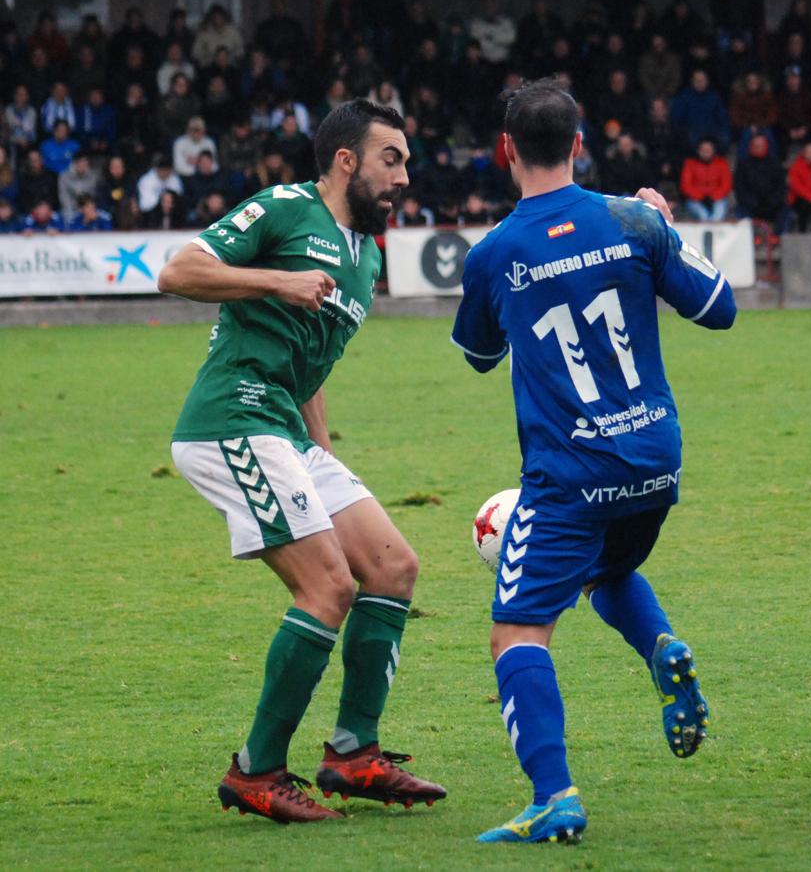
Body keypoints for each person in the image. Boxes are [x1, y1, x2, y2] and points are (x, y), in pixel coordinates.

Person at [450, 78, 735, 845]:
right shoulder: (632, 219)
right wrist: (667, 230)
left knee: (517, 632)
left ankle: (554, 798)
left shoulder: (495, 253)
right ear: (580, 144)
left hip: (571, 478)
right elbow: (721, 309)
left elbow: (479, 355)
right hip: (655, 461)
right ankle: (662, 646)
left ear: (505, 150)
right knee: (606, 572)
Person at [158, 99, 447, 824]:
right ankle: (256, 772)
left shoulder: (367, 255)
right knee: (328, 587)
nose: (404, 176)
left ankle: (353, 754)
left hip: (284, 427)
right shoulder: (286, 209)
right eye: (392, 159)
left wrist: (321, 455)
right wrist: (275, 280)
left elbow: (310, 367)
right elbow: (178, 271)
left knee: (391, 565)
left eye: (406, 162)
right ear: (346, 160)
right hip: (230, 420)